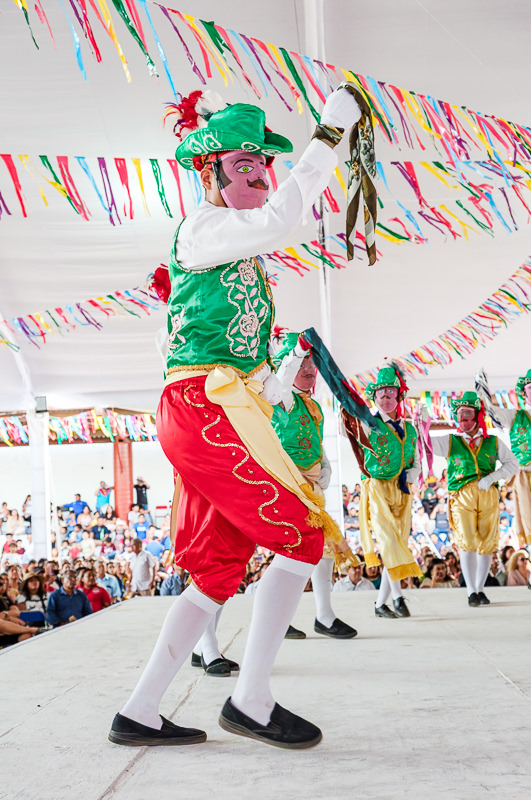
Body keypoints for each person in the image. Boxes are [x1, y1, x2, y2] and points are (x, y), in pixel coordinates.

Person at [110, 84, 365, 749]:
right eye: (240, 162)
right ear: (208, 170)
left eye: (261, 162)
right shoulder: (202, 229)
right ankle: (250, 699)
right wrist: (328, 134)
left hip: (221, 401)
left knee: (220, 568)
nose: (256, 172)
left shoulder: (238, 249)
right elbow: (284, 219)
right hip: (202, 404)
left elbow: (244, 337)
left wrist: (277, 388)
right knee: (302, 536)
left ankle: (137, 711)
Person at [270, 331, 358, 639]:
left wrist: (324, 464)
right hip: (288, 487)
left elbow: (316, 443)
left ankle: (321, 615)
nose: (309, 371)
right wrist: (296, 353)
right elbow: (282, 379)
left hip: (311, 489)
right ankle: (283, 618)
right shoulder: (281, 398)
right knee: (295, 551)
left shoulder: (313, 405)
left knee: (321, 550)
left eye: (312, 365)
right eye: (301, 366)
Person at [342, 365, 422, 618]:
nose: (385, 399)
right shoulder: (369, 424)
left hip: (402, 490)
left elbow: (416, 459)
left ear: (399, 397)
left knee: (398, 542)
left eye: (390, 394)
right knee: (388, 542)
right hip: (376, 488)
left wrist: (414, 473)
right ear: (374, 398)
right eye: (381, 395)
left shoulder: (410, 429)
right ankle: (398, 598)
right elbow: (346, 426)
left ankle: (380, 604)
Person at [426, 392, 518, 607]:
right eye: (460, 418)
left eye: (468, 417)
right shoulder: (450, 441)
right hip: (462, 495)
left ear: (478, 416)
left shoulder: (493, 441)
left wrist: (493, 477)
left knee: (487, 543)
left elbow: (512, 464)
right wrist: (422, 423)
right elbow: (423, 443)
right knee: (467, 543)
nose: (464, 422)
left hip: (488, 494)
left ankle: (480, 589)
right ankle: (470, 591)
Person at [476, 368, 531, 548]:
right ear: (524, 393)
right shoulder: (516, 416)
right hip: (525, 476)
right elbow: (490, 412)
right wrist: (482, 389)